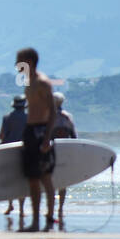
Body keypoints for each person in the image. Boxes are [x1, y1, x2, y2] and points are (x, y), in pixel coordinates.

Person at [15, 47, 57, 232]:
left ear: (29, 62)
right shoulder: (27, 81)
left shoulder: (42, 83)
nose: (16, 65)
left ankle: (48, 218)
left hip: (41, 131)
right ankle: (35, 220)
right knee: (32, 178)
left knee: (45, 177)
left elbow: (53, 112)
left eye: (19, 61)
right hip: (31, 131)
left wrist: (47, 138)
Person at [0, 94, 28, 229]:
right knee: (22, 180)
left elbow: (2, 135)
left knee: (10, 179)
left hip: (8, 150)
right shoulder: (29, 118)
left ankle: (10, 205)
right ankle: (22, 210)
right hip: (24, 150)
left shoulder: (7, 118)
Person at [52, 92, 77, 230]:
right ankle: (60, 209)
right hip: (65, 152)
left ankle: (51, 209)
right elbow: (74, 136)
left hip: (51, 151)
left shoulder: (48, 116)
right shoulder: (68, 117)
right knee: (63, 183)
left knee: (50, 182)